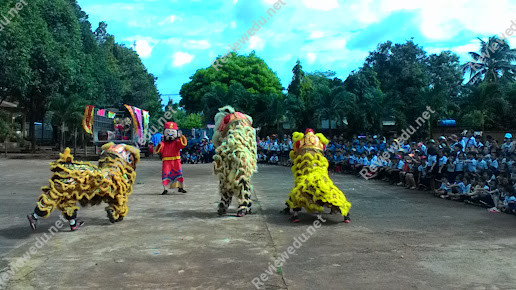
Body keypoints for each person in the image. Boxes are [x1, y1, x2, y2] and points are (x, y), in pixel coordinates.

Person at [283, 129, 351, 223]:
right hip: (319, 170)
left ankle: (295, 215)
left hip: (305, 171)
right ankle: (346, 215)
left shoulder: (300, 140)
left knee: (299, 191)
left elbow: (294, 153)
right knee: (328, 189)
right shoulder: (319, 141)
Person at [212, 106, 257, 217]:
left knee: (231, 180)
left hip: (234, 153)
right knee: (239, 179)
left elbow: (216, 139)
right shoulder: (245, 121)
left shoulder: (224, 121)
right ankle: (242, 205)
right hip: (241, 153)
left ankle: (239, 205)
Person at [154, 122, 188, 195]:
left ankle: (180, 187)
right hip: (166, 161)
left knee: (178, 174)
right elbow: (158, 149)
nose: (170, 134)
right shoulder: (163, 143)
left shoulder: (177, 142)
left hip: (176, 161)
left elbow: (183, 144)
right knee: (166, 174)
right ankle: (165, 188)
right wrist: (159, 145)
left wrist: (181, 136)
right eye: (168, 132)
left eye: (172, 132)